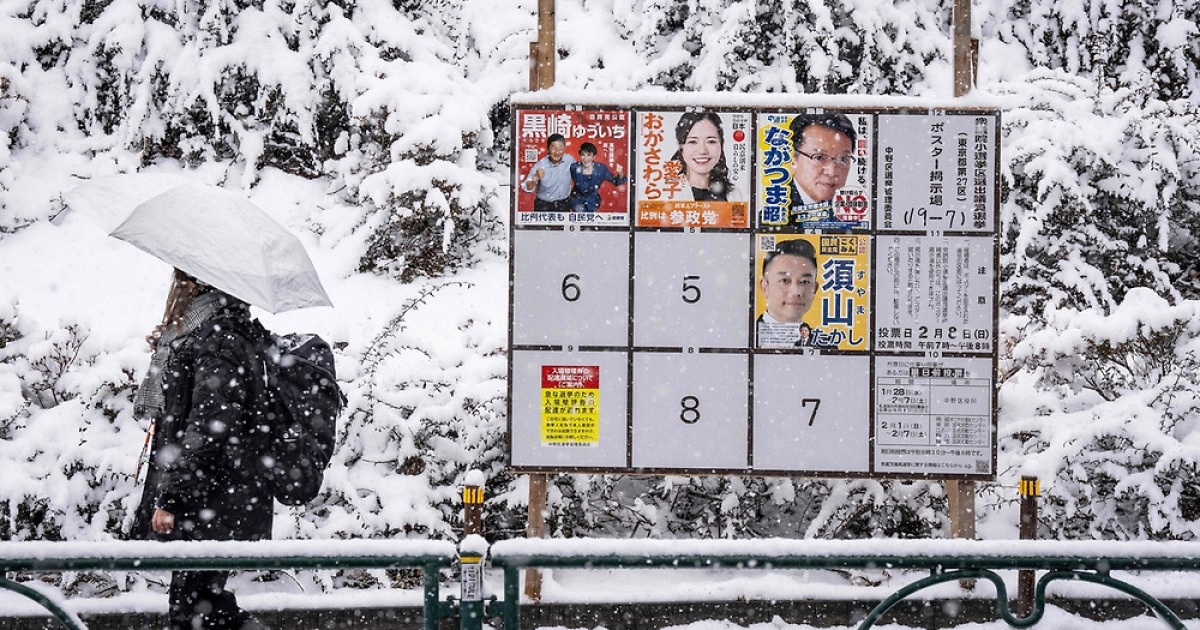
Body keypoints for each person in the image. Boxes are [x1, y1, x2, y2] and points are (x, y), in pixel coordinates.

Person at [131, 269, 272, 630]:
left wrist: (173, 498)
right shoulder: (204, 336)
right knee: (204, 607)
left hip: (212, 499)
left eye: (182, 277)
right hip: (215, 498)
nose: (175, 287)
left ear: (201, 283)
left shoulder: (219, 340)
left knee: (192, 612)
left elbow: (209, 427)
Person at [787, 113, 857, 222]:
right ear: (793, 158)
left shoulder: (850, 214)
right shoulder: (773, 215)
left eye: (842, 159)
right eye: (819, 158)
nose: (832, 171)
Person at [756, 239, 819, 347]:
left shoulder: (825, 345)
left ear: (814, 288)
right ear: (765, 287)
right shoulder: (744, 338)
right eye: (784, 280)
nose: (796, 292)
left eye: (805, 281)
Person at [669, 111, 733, 202]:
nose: (702, 151)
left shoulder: (735, 195)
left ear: (721, 144)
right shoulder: (666, 194)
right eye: (693, 142)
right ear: (680, 146)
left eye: (711, 141)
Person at [520, 133, 576, 213]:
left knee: (562, 226)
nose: (557, 152)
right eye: (553, 148)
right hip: (543, 206)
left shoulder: (570, 160)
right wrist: (535, 178)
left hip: (564, 205)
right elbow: (527, 187)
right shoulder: (540, 165)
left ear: (564, 149)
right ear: (548, 149)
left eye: (560, 148)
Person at [568, 142, 626, 212]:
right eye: (583, 155)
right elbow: (564, 180)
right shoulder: (574, 167)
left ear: (594, 156)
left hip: (593, 203)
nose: (586, 158)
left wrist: (620, 172)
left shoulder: (601, 169)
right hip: (576, 203)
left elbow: (616, 181)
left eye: (589, 155)